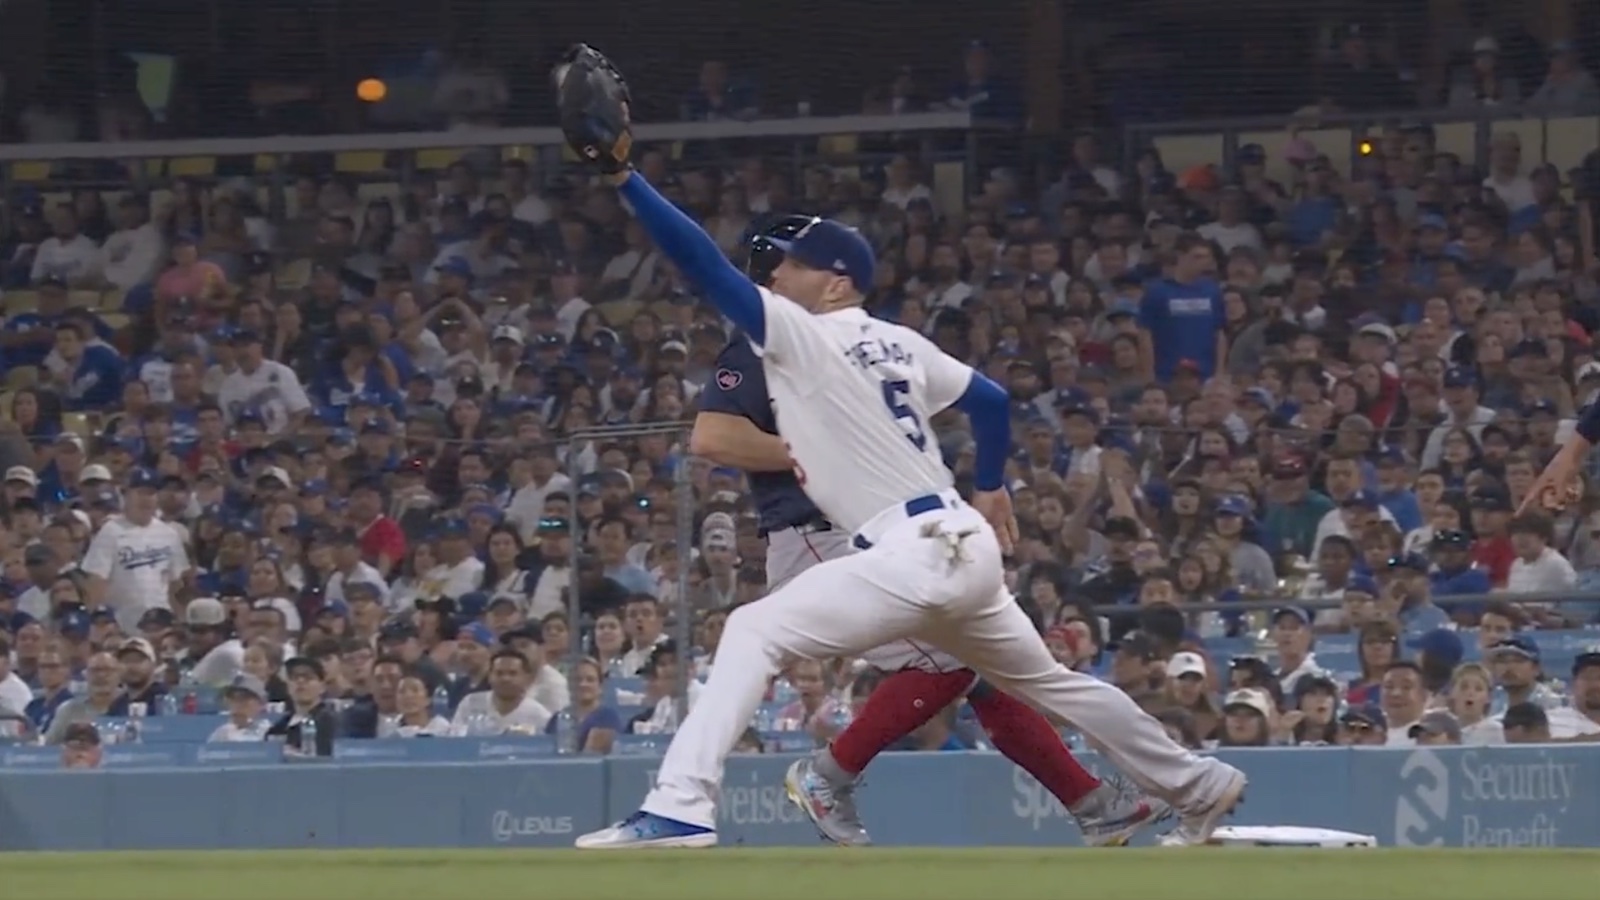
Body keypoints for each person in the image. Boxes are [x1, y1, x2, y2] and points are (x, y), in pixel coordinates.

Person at [559, 48, 1244, 851]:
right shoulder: (899, 340)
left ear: (838, 281)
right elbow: (991, 402)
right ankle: (1198, 784)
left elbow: (704, 268)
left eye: (792, 265)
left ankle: (680, 804)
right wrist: (992, 486)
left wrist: (624, 179)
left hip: (907, 548)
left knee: (752, 631)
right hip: (963, 545)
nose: (775, 275)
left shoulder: (806, 336)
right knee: (1052, 684)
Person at [689, 215, 1165, 847]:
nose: (791, 270)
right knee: (957, 659)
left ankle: (1091, 802)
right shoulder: (760, 345)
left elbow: (977, 402)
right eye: (790, 259)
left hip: (877, 535)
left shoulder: (855, 348)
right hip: (812, 533)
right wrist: (817, 444)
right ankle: (829, 773)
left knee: (982, 664)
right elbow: (712, 437)